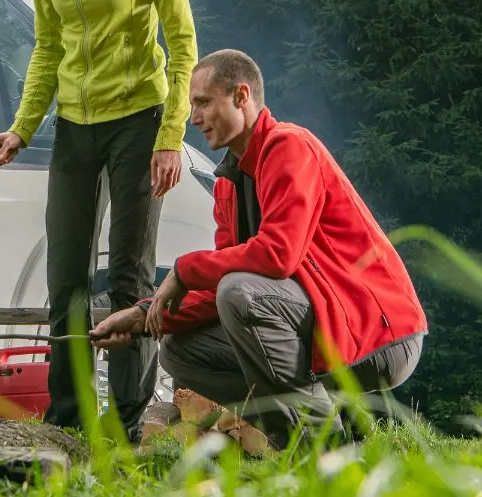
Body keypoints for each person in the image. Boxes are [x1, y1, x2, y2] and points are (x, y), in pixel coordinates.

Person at [90, 49, 427, 449]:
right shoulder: (228, 186)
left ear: (240, 96)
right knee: (180, 351)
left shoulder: (290, 147)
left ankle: (323, 443)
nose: (193, 118)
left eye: (202, 102)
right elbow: (217, 292)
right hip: (318, 331)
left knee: (240, 293)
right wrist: (145, 316)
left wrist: (184, 270)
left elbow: (277, 255)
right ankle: (307, 434)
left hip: (378, 336)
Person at [0, 0, 199, 439]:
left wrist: (170, 136)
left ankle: (129, 424)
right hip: (75, 126)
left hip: (138, 119)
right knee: (66, 275)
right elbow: (47, 48)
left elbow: (182, 42)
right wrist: (22, 130)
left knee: (131, 277)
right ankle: (68, 422)